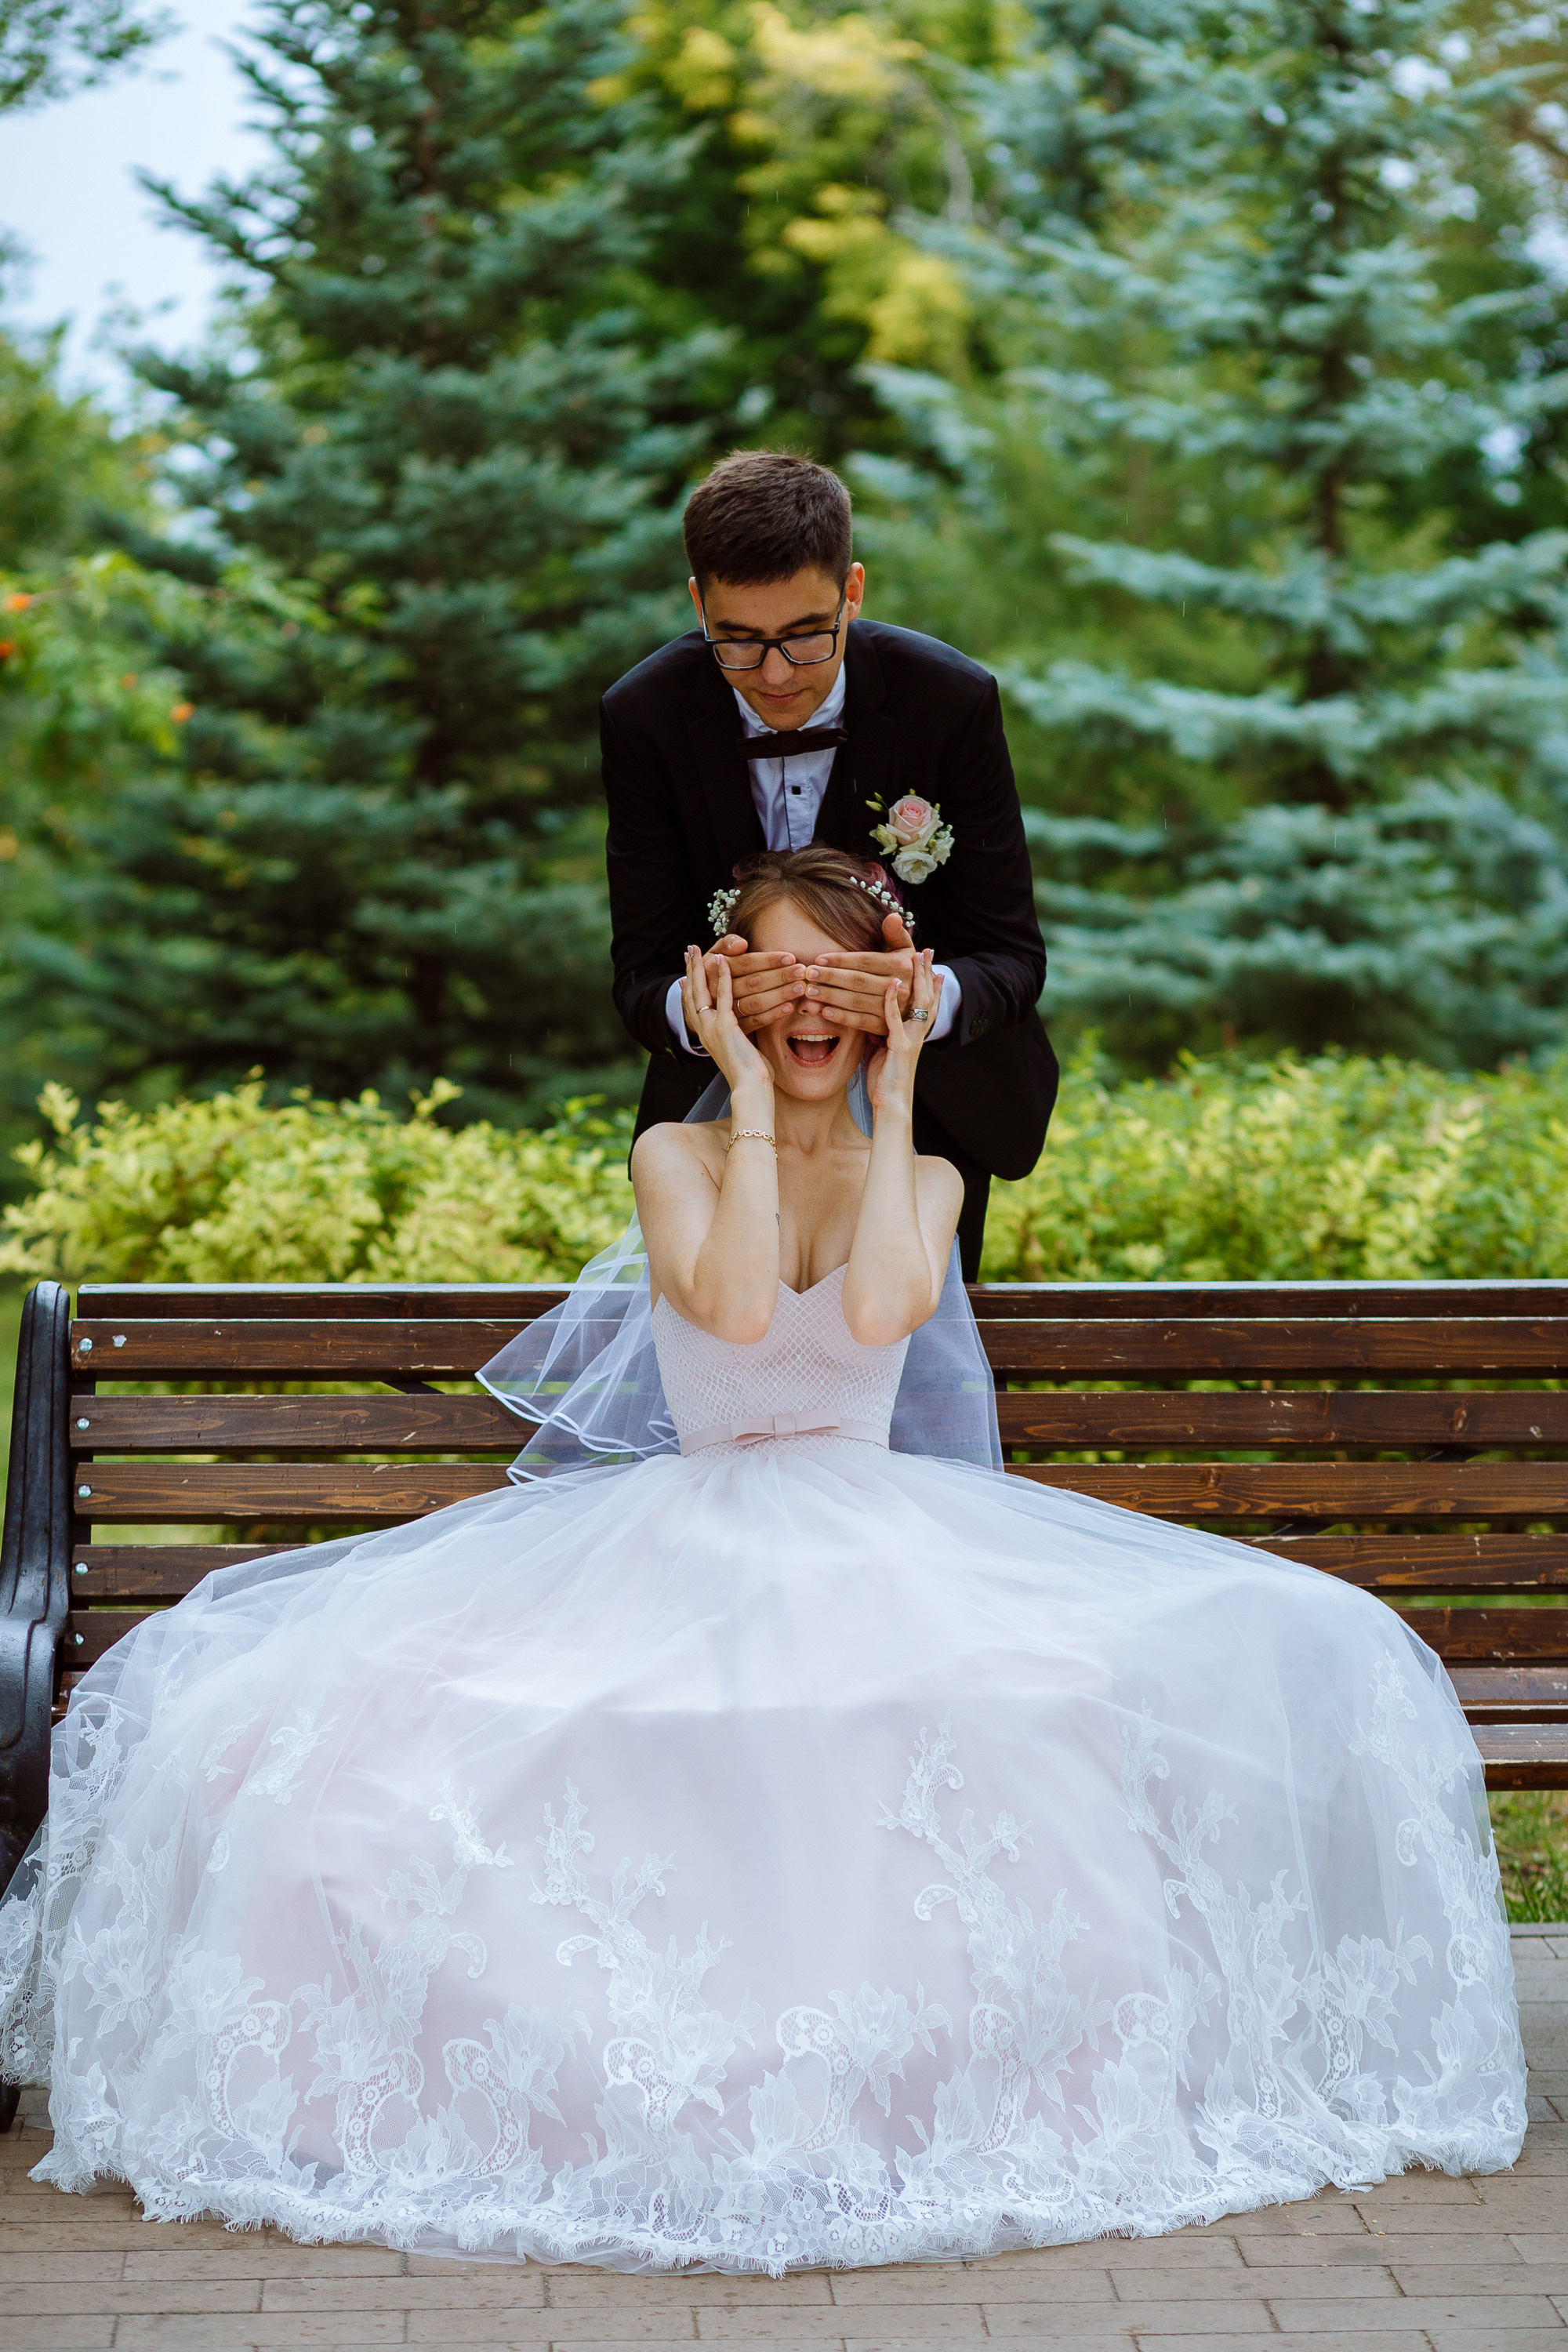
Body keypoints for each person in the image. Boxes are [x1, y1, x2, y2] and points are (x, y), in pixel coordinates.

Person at [0, 848, 1523, 2274]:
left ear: (878, 993)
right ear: (726, 989)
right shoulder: (674, 1154)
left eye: (834, 981)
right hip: (687, 1520)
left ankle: (926, 2088)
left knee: (1077, 1704)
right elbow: (733, 1312)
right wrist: (734, 1092)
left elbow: (872, 1321)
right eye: (771, 980)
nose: (806, 1009)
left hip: (878, 1528)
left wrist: (905, 1089)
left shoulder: (921, 1176)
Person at [603, 446, 1058, 1279]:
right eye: (736, 641)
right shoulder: (646, 718)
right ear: (698, 603)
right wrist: (704, 1007)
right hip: (724, 1115)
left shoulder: (947, 700)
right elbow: (637, 975)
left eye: (805, 638)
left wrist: (917, 1000)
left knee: (903, 1378)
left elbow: (1012, 958)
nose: (772, 675)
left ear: (852, 591)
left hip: (929, 1113)